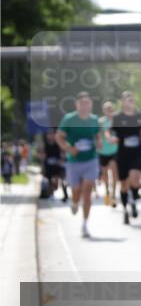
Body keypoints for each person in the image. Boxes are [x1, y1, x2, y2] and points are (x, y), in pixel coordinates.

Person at [56, 92, 103, 238]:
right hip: (74, 161)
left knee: (87, 190)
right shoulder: (69, 119)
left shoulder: (94, 120)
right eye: (82, 103)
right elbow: (59, 137)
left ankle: (85, 224)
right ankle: (75, 203)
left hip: (91, 160)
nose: (85, 106)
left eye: (88, 103)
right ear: (77, 105)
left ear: (91, 105)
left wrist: (99, 142)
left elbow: (98, 135)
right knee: (76, 192)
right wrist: (69, 149)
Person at [112, 92, 141, 225]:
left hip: (136, 153)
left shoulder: (139, 117)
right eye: (127, 100)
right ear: (123, 102)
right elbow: (112, 133)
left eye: (132, 100)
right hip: (122, 154)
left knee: (135, 178)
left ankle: (133, 200)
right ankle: (126, 209)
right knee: (123, 184)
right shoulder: (118, 117)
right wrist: (110, 138)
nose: (130, 102)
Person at [97, 101, 119, 207]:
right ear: (104, 110)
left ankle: (114, 195)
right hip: (103, 151)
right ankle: (107, 192)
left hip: (114, 150)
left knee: (114, 171)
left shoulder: (117, 120)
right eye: (107, 109)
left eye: (111, 108)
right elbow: (97, 134)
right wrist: (99, 142)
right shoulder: (101, 121)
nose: (109, 110)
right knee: (105, 173)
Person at [40, 130, 66, 201]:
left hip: (57, 165)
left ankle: (55, 192)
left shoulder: (58, 144)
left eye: (52, 134)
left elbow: (62, 154)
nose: (50, 136)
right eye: (49, 134)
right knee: (49, 181)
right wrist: (42, 166)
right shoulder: (45, 145)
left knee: (56, 180)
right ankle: (51, 194)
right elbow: (43, 156)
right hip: (48, 165)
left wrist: (62, 161)